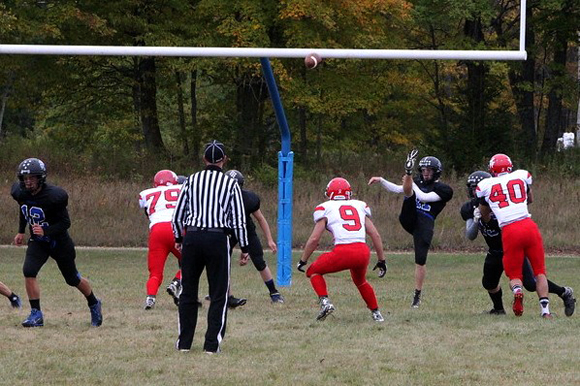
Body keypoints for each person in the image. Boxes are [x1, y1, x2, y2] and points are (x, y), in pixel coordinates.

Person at [172, 140, 249, 354]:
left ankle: (184, 343)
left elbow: (178, 214)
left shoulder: (191, 180)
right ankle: (211, 345)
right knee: (218, 293)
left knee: (188, 291)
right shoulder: (230, 184)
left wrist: (179, 236)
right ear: (224, 160)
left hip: (193, 237)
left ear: (204, 159)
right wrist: (244, 246)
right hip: (217, 238)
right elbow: (239, 219)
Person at [462, 171, 575, 316]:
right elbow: (470, 236)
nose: (474, 191)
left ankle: (564, 292)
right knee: (489, 283)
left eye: (476, 187)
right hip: (495, 250)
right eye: (472, 188)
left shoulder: (501, 204)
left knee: (530, 283)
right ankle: (498, 309)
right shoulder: (468, 208)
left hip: (513, 247)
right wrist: (477, 220)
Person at [11, 158, 102, 327]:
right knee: (29, 271)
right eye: (25, 178)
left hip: (59, 242)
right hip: (38, 241)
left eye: (32, 177)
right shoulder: (19, 192)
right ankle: (36, 314)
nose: (28, 181)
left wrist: (46, 231)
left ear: (41, 178)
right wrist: (21, 230)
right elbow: (24, 209)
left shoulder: (54, 196)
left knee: (72, 279)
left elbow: (65, 223)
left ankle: (94, 303)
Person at [368, 150, 453, 308]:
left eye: (429, 171)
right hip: (409, 217)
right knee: (409, 193)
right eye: (423, 170)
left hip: (425, 222)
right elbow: (398, 189)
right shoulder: (416, 182)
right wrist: (381, 180)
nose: (425, 173)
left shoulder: (445, 189)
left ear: (436, 172)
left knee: (420, 260)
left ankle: (417, 294)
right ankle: (407, 170)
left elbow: (424, 197)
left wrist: (410, 182)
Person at [296, 177, 387, 322]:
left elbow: (314, 239)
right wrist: (382, 260)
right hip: (363, 251)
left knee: (313, 271)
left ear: (329, 193)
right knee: (361, 281)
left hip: (344, 250)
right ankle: (376, 314)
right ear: (348, 193)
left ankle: (325, 303)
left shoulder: (325, 208)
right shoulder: (359, 205)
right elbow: (375, 234)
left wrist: (303, 260)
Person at [475, 154, 555, 318]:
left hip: (510, 230)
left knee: (515, 274)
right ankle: (545, 311)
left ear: (492, 169)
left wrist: (491, 215)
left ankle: (518, 291)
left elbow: (484, 213)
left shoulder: (485, 185)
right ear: (510, 166)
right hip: (529, 225)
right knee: (539, 271)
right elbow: (529, 199)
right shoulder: (522, 176)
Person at [225, 170, 283, 304]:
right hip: (228, 230)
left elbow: (261, 219)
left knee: (259, 261)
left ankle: (274, 292)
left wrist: (269, 239)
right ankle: (224, 294)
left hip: (246, 229)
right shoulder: (218, 198)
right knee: (222, 262)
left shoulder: (248, 198)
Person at [139, 169, 183, 310]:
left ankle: (150, 297)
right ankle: (176, 283)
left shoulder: (146, 194)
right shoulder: (182, 188)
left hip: (157, 231)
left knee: (155, 272)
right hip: (176, 229)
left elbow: (149, 212)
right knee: (192, 261)